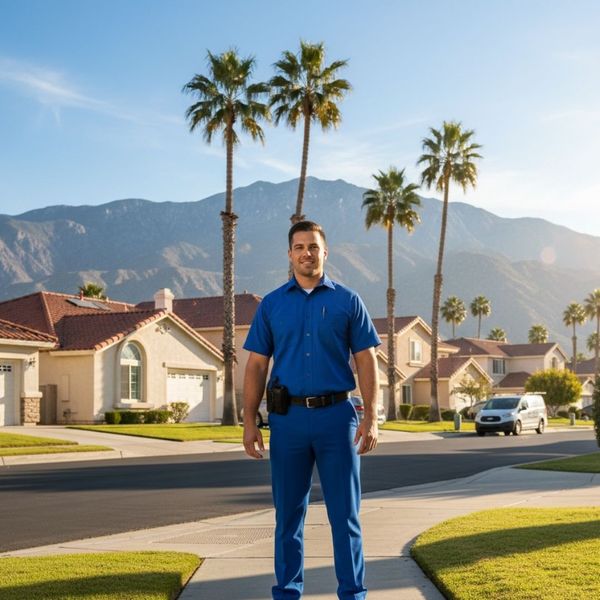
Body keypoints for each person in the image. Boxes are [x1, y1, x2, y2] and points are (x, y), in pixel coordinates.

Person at [243, 220, 381, 599]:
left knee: (345, 517)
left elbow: (367, 360)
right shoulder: (271, 305)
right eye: (300, 246)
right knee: (288, 517)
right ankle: (287, 593)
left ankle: (353, 594)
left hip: (338, 419)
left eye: (313, 247)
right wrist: (249, 422)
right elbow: (256, 365)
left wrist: (371, 417)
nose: (307, 253)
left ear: (325, 252)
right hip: (286, 422)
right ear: (290, 254)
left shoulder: (348, 301)